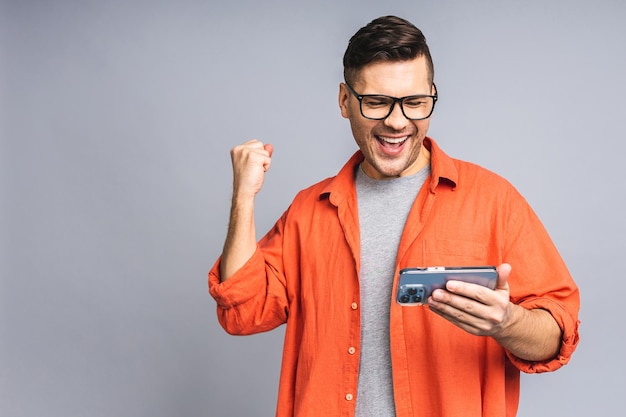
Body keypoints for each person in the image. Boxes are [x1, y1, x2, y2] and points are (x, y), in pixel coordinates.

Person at [208, 15, 580, 417]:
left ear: (432, 95)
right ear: (344, 101)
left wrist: (506, 323)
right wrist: (243, 199)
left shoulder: (494, 201)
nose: (397, 121)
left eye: (415, 102)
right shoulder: (308, 211)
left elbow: (556, 337)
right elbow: (242, 311)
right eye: (377, 102)